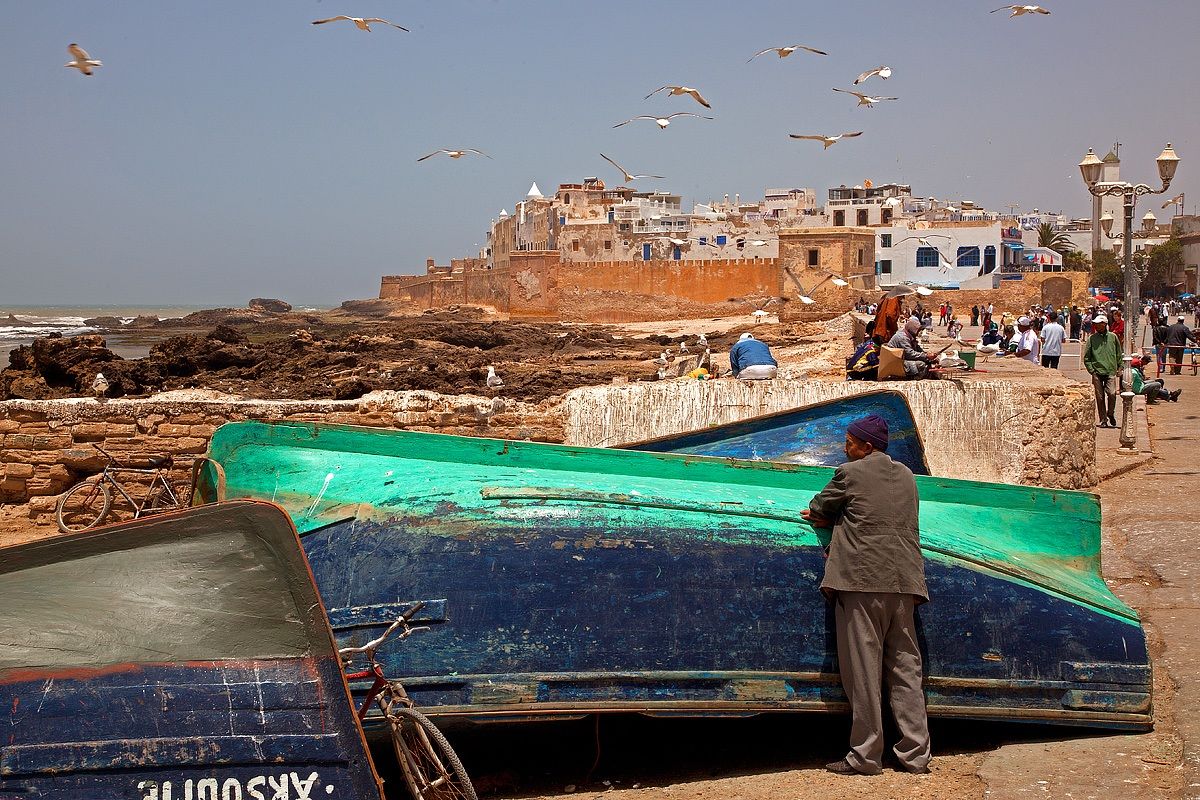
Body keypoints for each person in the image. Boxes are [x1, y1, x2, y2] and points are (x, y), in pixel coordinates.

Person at [801, 415, 931, 777]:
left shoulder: (850, 473)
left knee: (863, 673)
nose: (845, 447)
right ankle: (915, 755)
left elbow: (819, 507)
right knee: (906, 671)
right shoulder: (907, 476)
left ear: (866, 446)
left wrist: (833, 519)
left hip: (861, 583)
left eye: (850, 442)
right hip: (905, 584)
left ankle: (865, 756)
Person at [1084, 314, 1121, 428]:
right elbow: (1086, 357)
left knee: (1112, 393)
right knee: (1099, 397)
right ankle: (1103, 419)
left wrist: (1120, 366)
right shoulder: (1092, 339)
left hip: (1110, 371)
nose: (1096, 326)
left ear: (1104, 324)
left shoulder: (1113, 337)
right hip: (1097, 371)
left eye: (1098, 324)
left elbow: (1118, 353)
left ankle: (1110, 413)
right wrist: (1092, 370)